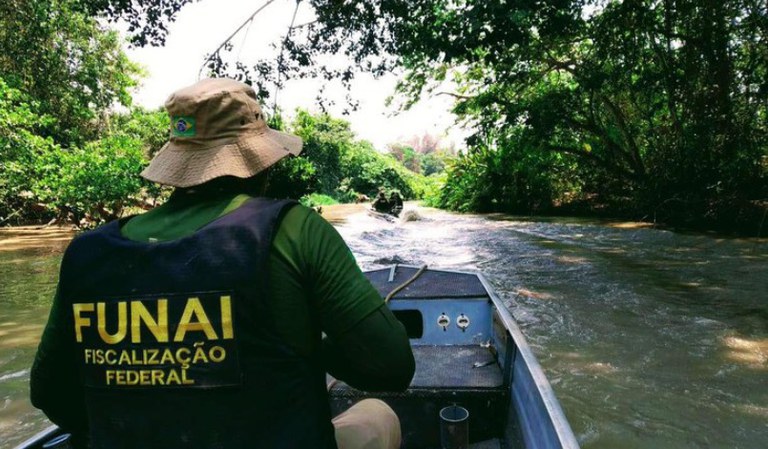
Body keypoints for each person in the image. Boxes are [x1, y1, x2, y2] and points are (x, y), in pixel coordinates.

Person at [30, 78, 415, 449]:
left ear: (177, 169)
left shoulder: (86, 253)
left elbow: (52, 395)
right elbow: (391, 366)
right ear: (262, 162)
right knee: (378, 414)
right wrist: (306, 341)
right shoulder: (295, 229)